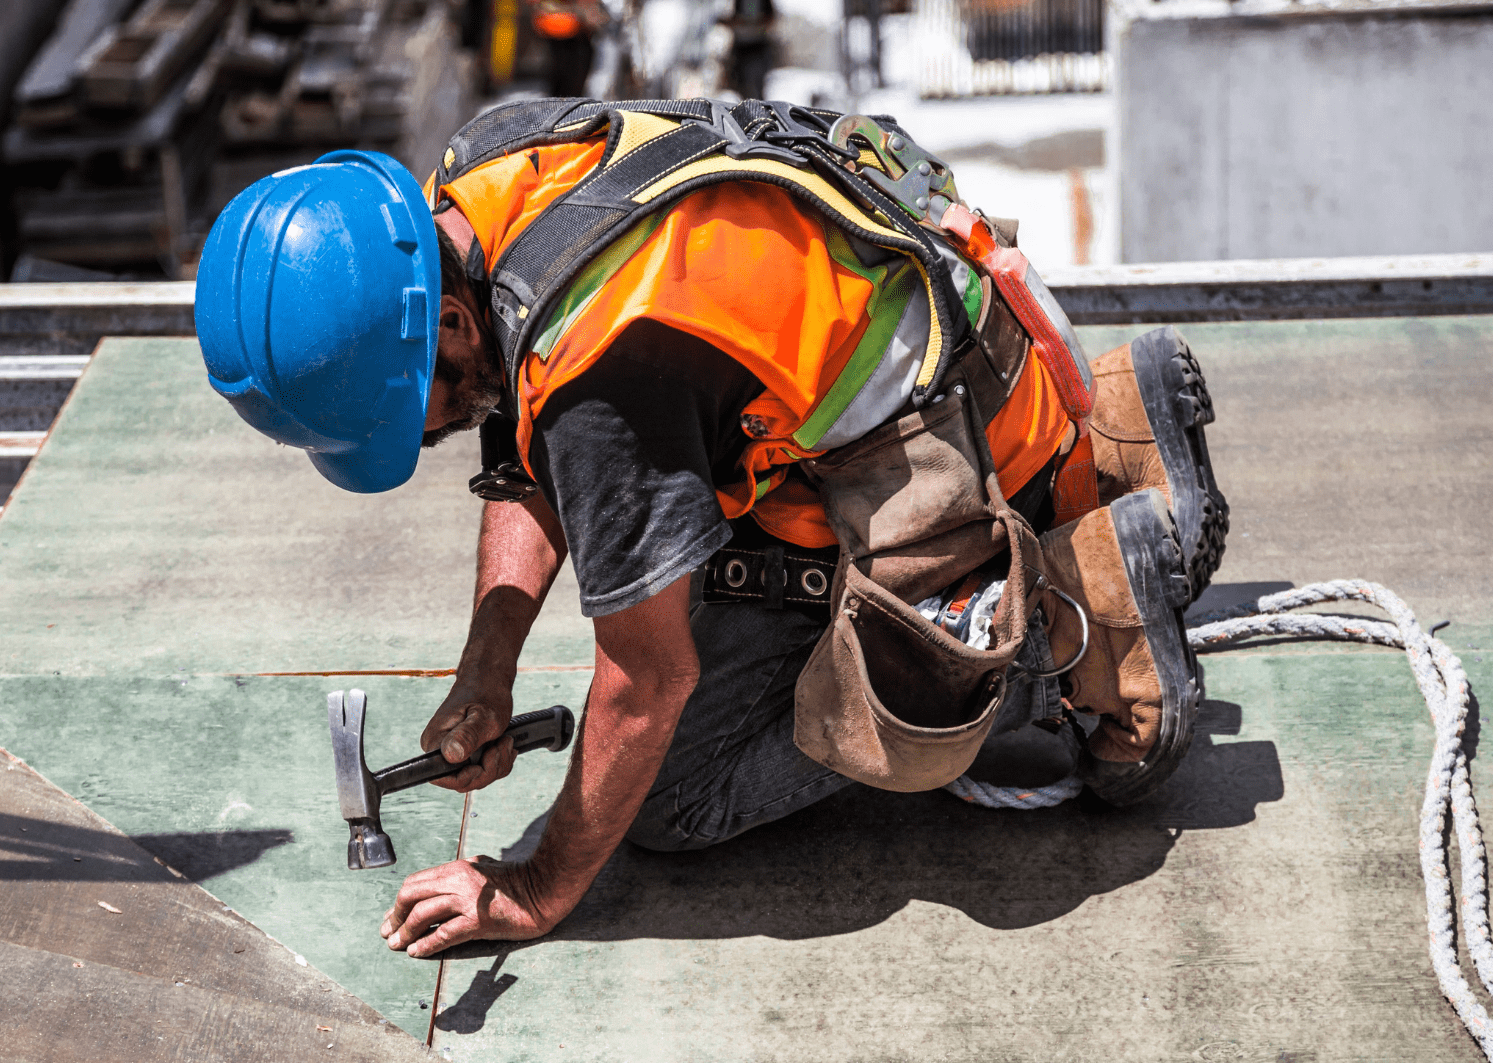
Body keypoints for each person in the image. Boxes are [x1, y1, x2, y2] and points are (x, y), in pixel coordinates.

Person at [194, 100, 1228, 960]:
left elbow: (648, 683)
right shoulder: (489, 175)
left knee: (674, 798)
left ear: (452, 326)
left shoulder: (605, 374)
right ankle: (1115, 436)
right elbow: (525, 448)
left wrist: (536, 888)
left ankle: (1071, 616)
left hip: (949, 467)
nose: (415, 445)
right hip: (974, 362)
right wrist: (487, 669)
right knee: (652, 563)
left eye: (401, 419)